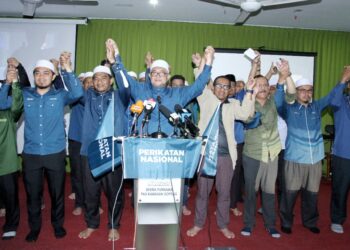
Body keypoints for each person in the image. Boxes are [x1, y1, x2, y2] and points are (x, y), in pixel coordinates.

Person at [187, 54, 255, 239]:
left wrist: (249, 92)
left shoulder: (233, 104)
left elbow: (247, 115)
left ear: (230, 89)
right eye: (219, 85)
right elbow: (201, 81)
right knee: (202, 193)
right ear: (213, 87)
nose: (223, 89)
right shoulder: (205, 97)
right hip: (205, 154)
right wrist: (200, 64)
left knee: (224, 194)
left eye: (227, 87)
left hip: (226, 157)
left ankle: (223, 225)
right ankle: (198, 224)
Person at [21, 53, 84, 242]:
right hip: (31, 154)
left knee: (57, 193)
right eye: (38, 73)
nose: (41, 77)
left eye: (46, 73)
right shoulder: (25, 94)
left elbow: (78, 93)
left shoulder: (60, 95)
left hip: (55, 153)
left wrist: (68, 69)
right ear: (34, 76)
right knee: (33, 195)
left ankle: (58, 225)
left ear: (53, 76)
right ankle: (34, 228)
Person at [106, 38, 215, 137]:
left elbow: (198, 87)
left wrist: (208, 63)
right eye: (154, 73)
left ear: (168, 77)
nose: (158, 75)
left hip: (170, 148)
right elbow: (124, 79)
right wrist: (115, 59)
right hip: (142, 146)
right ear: (149, 75)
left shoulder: (178, 93)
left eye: (162, 73)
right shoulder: (140, 90)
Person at [276, 71, 340, 235]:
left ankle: (310, 221)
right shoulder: (288, 109)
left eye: (309, 90)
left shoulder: (316, 107)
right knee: (290, 194)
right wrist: (280, 84)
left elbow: (332, 96)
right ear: (296, 92)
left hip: (315, 161)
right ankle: (286, 222)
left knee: (312, 194)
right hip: (294, 159)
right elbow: (277, 102)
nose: (306, 93)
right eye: (302, 90)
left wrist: (343, 81)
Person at [240, 57, 294, 239]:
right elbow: (248, 117)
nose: (262, 87)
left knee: (269, 191)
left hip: (272, 154)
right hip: (252, 155)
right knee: (251, 191)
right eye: (258, 84)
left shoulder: (274, 103)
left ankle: (271, 224)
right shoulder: (247, 102)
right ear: (253, 86)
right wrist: (253, 69)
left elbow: (282, 92)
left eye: (265, 84)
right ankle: (248, 223)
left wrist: (283, 75)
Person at [76, 63, 129, 241]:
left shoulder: (119, 96)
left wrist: (115, 63)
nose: (99, 81)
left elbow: (126, 84)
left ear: (111, 80)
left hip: (112, 151)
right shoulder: (87, 96)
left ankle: (114, 225)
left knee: (114, 191)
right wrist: (67, 70)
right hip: (89, 151)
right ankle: (91, 224)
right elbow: (74, 90)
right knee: (90, 191)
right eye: (95, 78)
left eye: (103, 78)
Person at [0, 66, 23, 240]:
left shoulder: (7, 112)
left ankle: (11, 224)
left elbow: (16, 103)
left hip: (6, 162)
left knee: (10, 196)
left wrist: (11, 83)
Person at [329, 66, 350, 234]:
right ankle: (337, 219)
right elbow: (333, 100)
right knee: (340, 189)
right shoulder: (341, 102)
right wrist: (343, 79)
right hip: (344, 154)